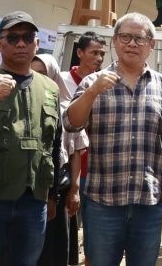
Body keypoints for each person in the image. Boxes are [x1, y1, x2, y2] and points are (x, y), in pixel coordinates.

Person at [64, 13, 162, 266]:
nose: (132, 44)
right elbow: (72, 123)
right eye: (125, 37)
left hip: (148, 202)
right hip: (102, 201)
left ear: (152, 44)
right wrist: (92, 92)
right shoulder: (92, 82)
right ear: (115, 41)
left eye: (140, 38)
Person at [0, 11, 62, 266]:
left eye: (28, 37)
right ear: (0, 44)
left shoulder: (49, 87)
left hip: (33, 199)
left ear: (37, 44)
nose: (21, 43)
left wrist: (53, 195)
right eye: (13, 37)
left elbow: (54, 143)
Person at [32, 53, 88, 266]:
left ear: (54, 76)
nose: (38, 78)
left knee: (55, 251)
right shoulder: (23, 103)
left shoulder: (67, 109)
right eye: (33, 73)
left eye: (43, 74)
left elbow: (75, 153)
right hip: (28, 190)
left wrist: (74, 190)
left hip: (59, 191)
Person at [62, 31, 105, 266]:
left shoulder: (107, 83)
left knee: (94, 231)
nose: (99, 58)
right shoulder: (62, 81)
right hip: (68, 167)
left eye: (102, 53)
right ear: (79, 53)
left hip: (96, 168)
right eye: (94, 52)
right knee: (66, 228)